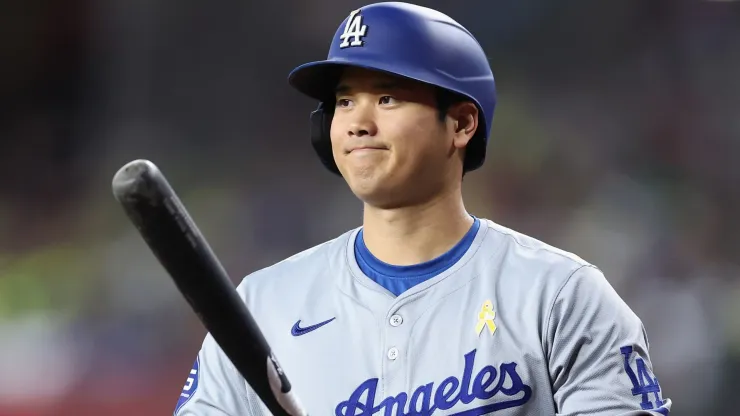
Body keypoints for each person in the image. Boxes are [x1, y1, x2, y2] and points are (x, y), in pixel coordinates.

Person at [174, 2, 672, 415]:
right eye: (344, 102)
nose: (357, 123)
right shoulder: (262, 305)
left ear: (460, 125)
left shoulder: (559, 297)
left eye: (387, 98)